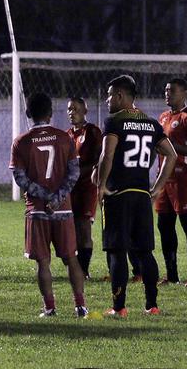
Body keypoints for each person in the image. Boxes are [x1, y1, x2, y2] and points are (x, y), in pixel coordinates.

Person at [95, 75, 177, 317]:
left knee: (117, 251)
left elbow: (107, 155)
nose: (107, 99)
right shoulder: (151, 124)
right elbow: (171, 155)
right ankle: (152, 304)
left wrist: (100, 186)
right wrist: (158, 187)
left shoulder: (114, 122)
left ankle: (119, 307)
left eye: (110, 95)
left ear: (120, 95)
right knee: (145, 252)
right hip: (142, 195)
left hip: (118, 194)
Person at [11, 93, 87, 317]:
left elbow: (20, 178)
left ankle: (50, 308)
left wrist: (44, 196)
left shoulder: (21, 142)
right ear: (51, 114)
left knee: (43, 262)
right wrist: (57, 197)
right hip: (62, 208)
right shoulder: (65, 138)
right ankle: (81, 306)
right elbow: (74, 173)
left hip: (37, 210)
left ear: (28, 114)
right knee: (71, 258)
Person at [155, 78, 187, 287]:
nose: (168, 94)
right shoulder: (163, 117)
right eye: (166, 90)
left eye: (172, 91)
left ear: (184, 93)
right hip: (165, 179)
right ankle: (172, 274)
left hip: (183, 178)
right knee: (164, 226)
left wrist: (173, 147)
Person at [66, 96, 102, 279]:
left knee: (84, 227)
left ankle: (84, 270)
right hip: (70, 189)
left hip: (87, 187)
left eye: (76, 109)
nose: (72, 113)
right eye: (70, 109)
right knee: (70, 229)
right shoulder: (66, 135)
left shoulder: (93, 132)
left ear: (85, 111)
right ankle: (75, 266)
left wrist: (79, 172)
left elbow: (99, 160)